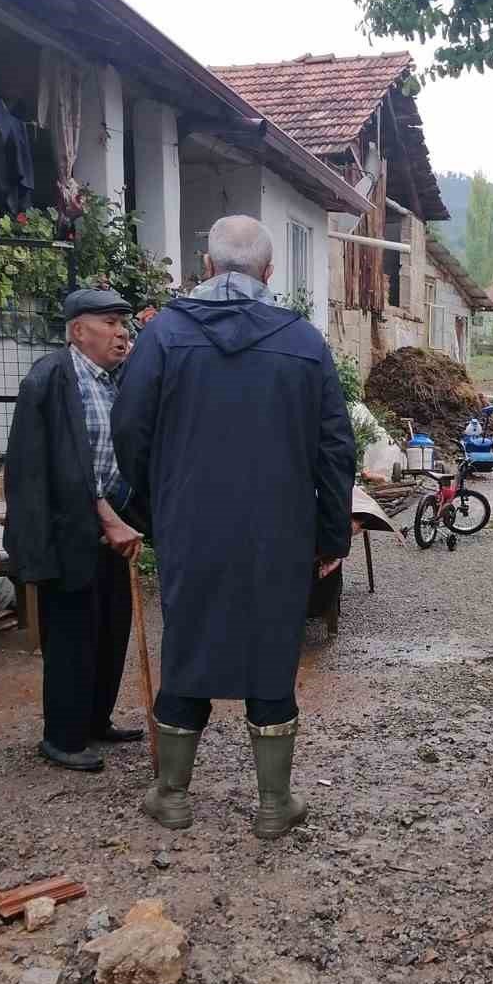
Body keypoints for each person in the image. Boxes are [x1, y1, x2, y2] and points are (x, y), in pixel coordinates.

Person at [112, 214, 355, 840]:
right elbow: (335, 450)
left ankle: (172, 797)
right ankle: (274, 805)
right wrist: (331, 534)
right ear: (269, 272)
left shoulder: (163, 336)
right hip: (280, 532)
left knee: (189, 644)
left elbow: (129, 432)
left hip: (189, 525)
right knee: (271, 654)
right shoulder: (304, 343)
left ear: (207, 266)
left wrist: (151, 506)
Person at [4, 288, 145, 771]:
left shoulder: (115, 380)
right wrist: (101, 516)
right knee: (72, 636)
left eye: (124, 324)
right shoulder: (50, 379)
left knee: (111, 629)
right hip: (70, 531)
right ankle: (62, 736)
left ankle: (95, 721)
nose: (121, 332)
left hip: (115, 529)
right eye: (109, 322)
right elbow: (44, 469)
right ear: (78, 329)